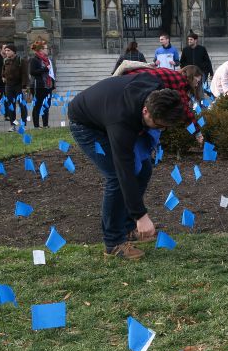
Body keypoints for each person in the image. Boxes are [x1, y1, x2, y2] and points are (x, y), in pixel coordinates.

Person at [68, 75, 189, 260]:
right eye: (158, 125)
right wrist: (141, 215)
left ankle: (127, 228)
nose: (161, 130)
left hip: (110, 111)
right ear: (146, 111)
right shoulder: (121, 122)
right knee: (116, 176)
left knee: (145, 168)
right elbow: (124, 169)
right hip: (85, 124)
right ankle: (113, 243)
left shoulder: (157, 88)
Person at [0, 45, 30, 130]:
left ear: (14, 51)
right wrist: (3, 76)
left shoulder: (21, 60)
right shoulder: (5, 60)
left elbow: (25, 74)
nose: (6, 52)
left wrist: (24, 87)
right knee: (11, 105)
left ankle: (23, 124)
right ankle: (12, 125)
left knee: (22, 105)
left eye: (8, 50)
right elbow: (3, 70)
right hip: (9, 86)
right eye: (5, 50)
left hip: (19, 86)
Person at [28, 40, 56, 128]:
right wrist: (45, 69)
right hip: (38, 86)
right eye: (46, 48)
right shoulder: (34, 59)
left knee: (46, 105)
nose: (47, 50)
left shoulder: (47, 60)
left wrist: (52, 83)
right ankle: (36, 125)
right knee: (38, 105)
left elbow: (51, 72)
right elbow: (32, 72)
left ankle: (45, 124)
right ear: (40, 50)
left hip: (47, 86)